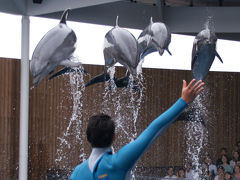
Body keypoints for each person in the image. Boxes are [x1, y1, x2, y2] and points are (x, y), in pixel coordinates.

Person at [70, 79, 205, 180]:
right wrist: (183, 101)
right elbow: (154, 129)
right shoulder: (118, 162)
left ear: (88, 137)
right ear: (114, 137)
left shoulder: (76, 173)